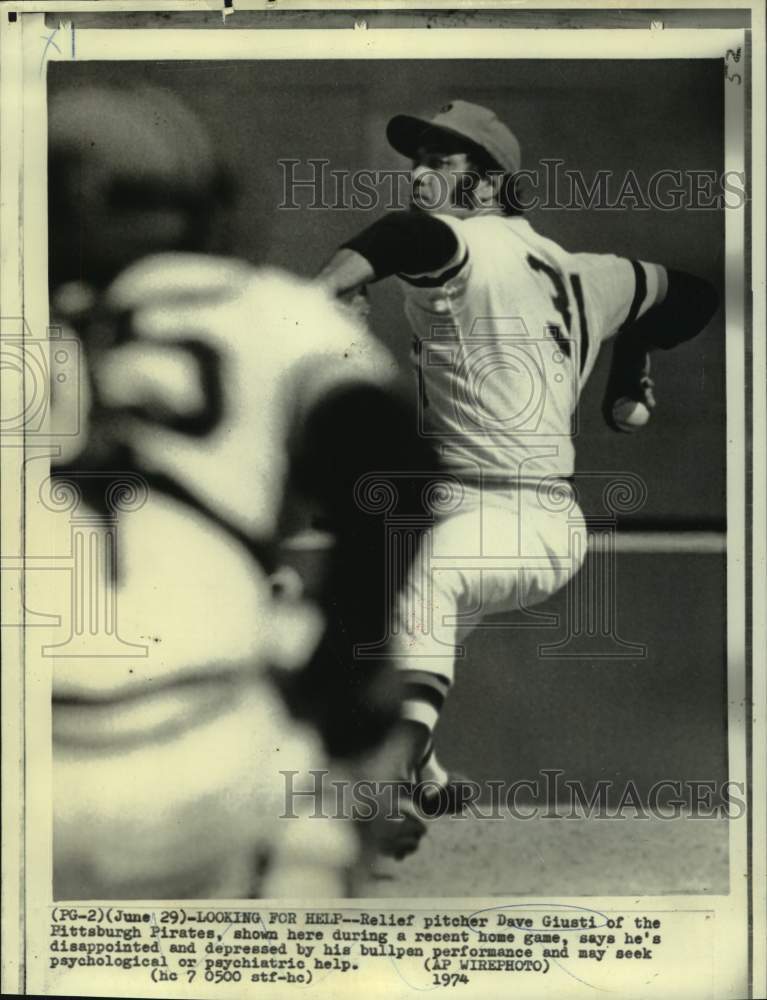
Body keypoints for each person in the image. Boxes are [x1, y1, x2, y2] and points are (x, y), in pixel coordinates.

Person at [47, 83, 433, 897]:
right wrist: (344, 673)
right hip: (200, 755)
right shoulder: (265, 307)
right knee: (319, 670)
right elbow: (392, 462)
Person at [316, 99, 719, 855]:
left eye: (443, 161)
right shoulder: (588, 273)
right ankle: (428, 776)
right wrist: (630, 360)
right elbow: (688, 295)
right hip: (488, 516)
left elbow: (404, 235)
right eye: (417, 160)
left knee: (418, 584)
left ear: (490, 184)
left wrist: (330, 284)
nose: (420, 175)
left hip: (511, 515)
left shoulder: (460, 246)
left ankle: (387, 781)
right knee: (365, 638)